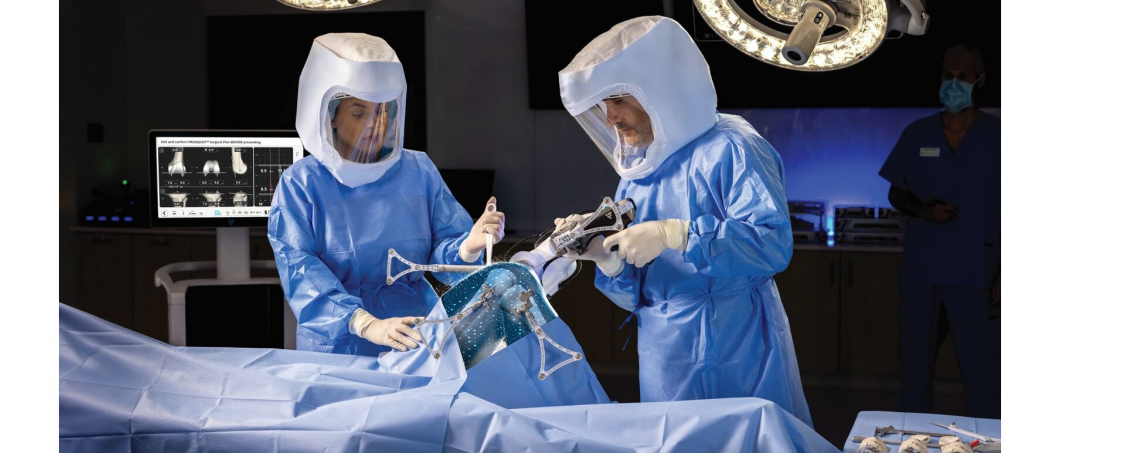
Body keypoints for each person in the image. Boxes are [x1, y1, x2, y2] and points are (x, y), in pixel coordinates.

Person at [556, 16, 812, 427]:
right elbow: (637, 293)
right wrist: (608, 258)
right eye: (604, 104)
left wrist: (678, 234)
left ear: (661, 86)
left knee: (750, 438)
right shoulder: (640, 165)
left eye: (618, 99)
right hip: (666, 354)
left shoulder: (733, 147)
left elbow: (771, 245)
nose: (611, 117)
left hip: (738, 344)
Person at [268, 33, 505, 357]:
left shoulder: (417, 170)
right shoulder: (301, 184)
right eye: (359, 113)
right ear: (330, 115)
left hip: (416, 333)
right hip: (341, 341)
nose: (374, 125)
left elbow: (441, 257)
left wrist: (467, 247)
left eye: (383, 112)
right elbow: (301, 270)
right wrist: (365, 323)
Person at [879, 44, 1001, 418]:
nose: (954, 83)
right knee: (914, 369)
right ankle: (913, 436)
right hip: (924, 270)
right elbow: (896, 192)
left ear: (980, 80)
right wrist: (924, 211)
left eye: (963, 77)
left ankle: (990, 439)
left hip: (978, 273)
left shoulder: (999, 137)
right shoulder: (918, 134)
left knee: (984, 373)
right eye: (948, 75)